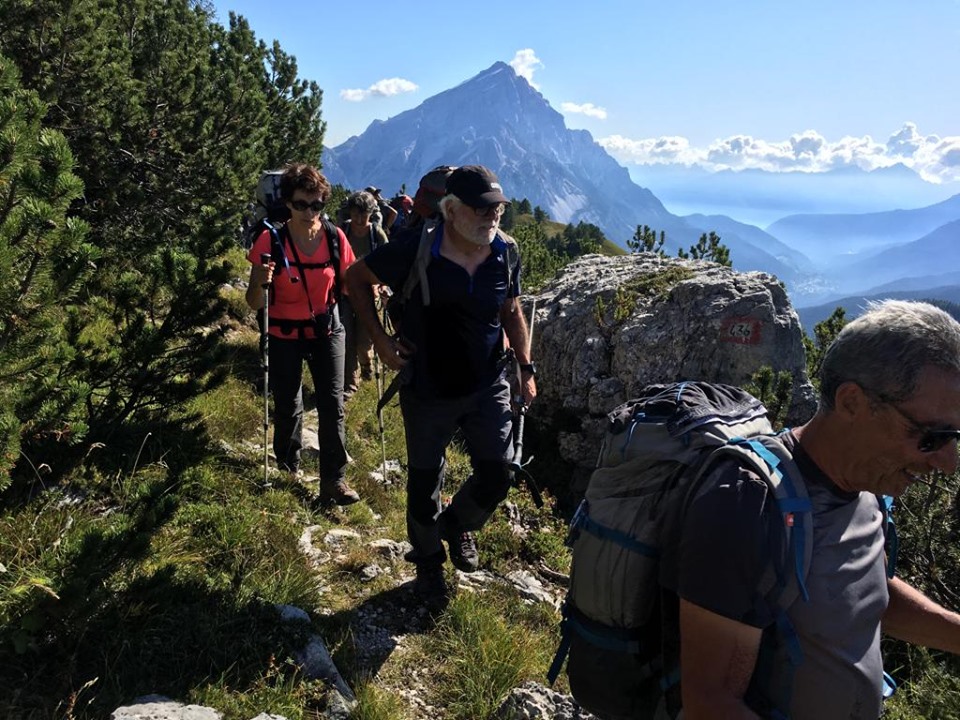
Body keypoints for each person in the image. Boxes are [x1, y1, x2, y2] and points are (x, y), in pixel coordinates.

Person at [676, 299, 960, 719]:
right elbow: (710, 703)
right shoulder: (746, 504)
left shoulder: (867, 486)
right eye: (930, 436)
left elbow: (861, 593)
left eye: (955, 435)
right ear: (851, 402)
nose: (949, 462)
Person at [344, 165, 536, 605]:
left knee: (498, 473)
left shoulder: (505, 252)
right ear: (451, 211)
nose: (493, 217)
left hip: (487, 383)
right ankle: (429, 565)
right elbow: (355, 279)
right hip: (428, 387)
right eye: (482, 209)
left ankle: (457, 525)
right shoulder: (416, 249)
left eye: (499, 208)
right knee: (424, 483)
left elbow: (511, 310)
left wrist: (526, 367)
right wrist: (382, 342)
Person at [245, 162, 360, 506]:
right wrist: (261, 280)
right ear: (288, 204)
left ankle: (334, 481)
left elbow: (348, 285)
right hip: (282, 332)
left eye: (316, 205)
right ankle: (286, 464)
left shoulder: (335, 239)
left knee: (332, 405)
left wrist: (376, 288)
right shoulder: (270, 240)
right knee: (287, 404)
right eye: (300, 204)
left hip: (326, 330)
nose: (309, 212)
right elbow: (253, 302)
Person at [340, 191, 389, 397]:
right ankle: (350, 384)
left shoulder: (376, 234)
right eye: (356, 213)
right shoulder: (343, 231)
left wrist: (384, 286)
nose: (360, 219)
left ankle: (367, 367)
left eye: (364, 214)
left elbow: (388, 263)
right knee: (346, 338)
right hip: (343, 292)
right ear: (350, 212)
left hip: (369, 294)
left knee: (363, 340)